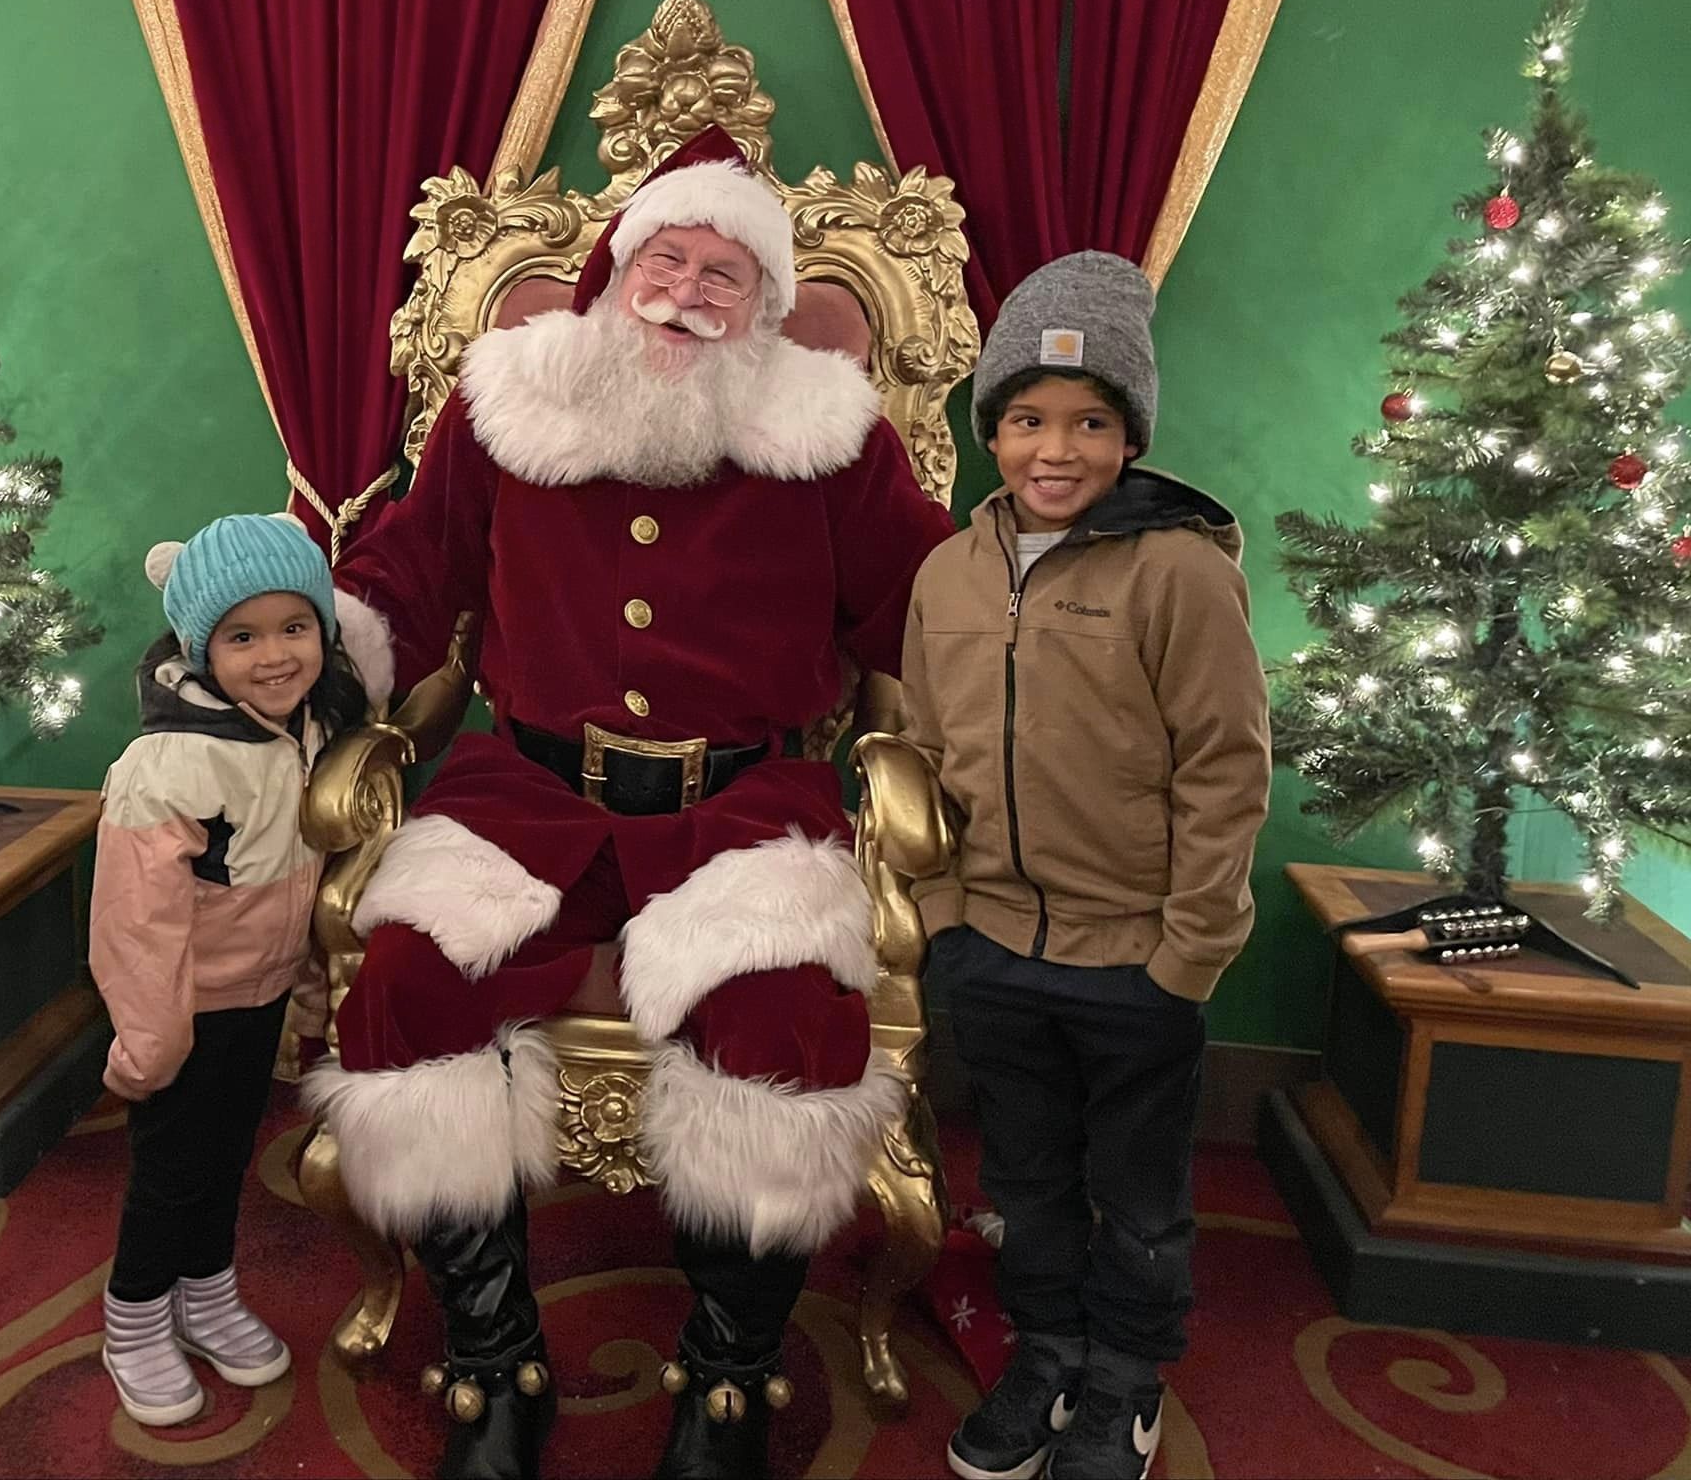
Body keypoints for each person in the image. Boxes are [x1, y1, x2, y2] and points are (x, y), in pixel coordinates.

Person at [304, 125, 954, 1478]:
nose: (691, 289)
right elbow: (411, 570)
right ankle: (497, 1361)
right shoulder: (509, 407)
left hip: (746, 807)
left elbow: (931, 603)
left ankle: (726, 1381)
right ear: (615, 265)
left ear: (767, 308)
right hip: (528, 790)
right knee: (409, 979)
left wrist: (1068, 624)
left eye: (729, 272)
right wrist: (313, 652)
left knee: (788, 1024)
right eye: (670, 254)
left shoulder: (830, 439)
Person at [901, 252, 1271, 1480]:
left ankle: (1123, 1379)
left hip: (1135, 958)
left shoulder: (1178, 571)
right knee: (1024, 1177)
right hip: (994, 949)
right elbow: (920, 748)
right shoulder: (946, 574)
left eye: (1088, 421)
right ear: (989, 430)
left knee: (1141, 1195)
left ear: (1127, 435)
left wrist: (1187, 951)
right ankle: (1046, 1352)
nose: (1052, 449)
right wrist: (949, 913)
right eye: (1023, 419)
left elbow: (1224, 765)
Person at [91, 511, 365, 1427]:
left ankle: (205, 1292)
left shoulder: (312, 727)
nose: (275, 655)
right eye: (242, 637)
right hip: (183, 1007)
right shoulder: (169, 762)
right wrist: (151, 1039)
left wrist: (310, 993)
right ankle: (133, 1317)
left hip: (260, 994)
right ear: (201, 646)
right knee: (171, 1169)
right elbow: (135, 919)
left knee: (226, 1157)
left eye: (295, 627)